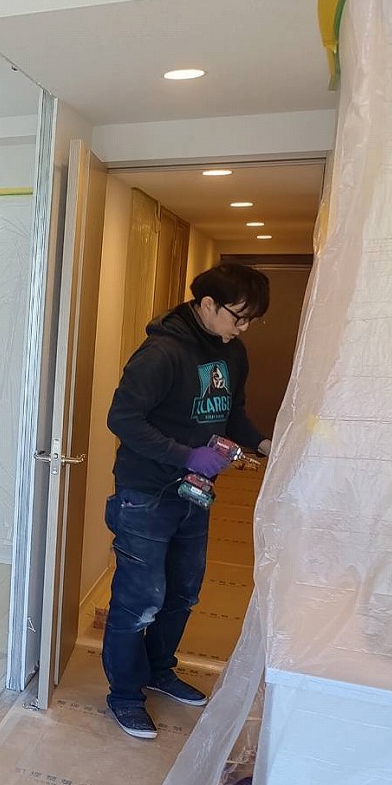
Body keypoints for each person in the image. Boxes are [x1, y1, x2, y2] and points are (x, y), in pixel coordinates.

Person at [103, 263, 273, 740]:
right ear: (208, 304)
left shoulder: (232, 351)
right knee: (140, 600)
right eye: (239, 316)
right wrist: (186, 454)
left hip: (193, 493)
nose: (244, 328)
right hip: (145, 493)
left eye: (251, 320)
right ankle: (125, 694)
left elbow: (231, 413)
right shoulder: (162, 353)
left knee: (182, 592)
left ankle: (159, 670)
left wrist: (264, 444)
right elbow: (123, 419)